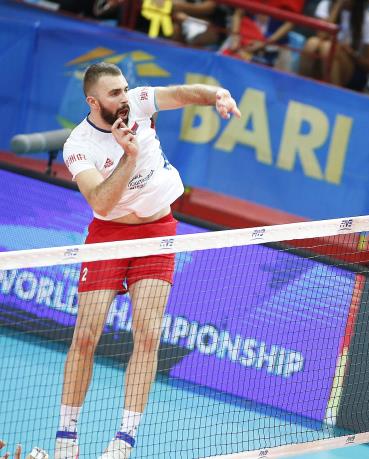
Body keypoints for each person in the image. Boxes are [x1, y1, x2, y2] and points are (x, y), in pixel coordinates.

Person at [56, 62, 240, 459]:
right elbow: (102, 202)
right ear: (93, 102)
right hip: (109, 236)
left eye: (124, 89)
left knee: (148, 335)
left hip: (157, 232)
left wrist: (217, 95)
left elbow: (183, 93)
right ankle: (66, 437)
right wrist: (128, 156)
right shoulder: (78, 146)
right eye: (114, 93)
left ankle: (124, 440)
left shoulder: (139, 103)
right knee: (85, 335)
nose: (124, 97)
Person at [299, 0, 369, 89]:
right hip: (322, 58)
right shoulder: (326, 5)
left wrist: (351, 53)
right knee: (312, 43)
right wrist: (337, 7)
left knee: (328, 48)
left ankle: (334, 92)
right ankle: (301, 87)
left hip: (350, 66)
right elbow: (322, 35)